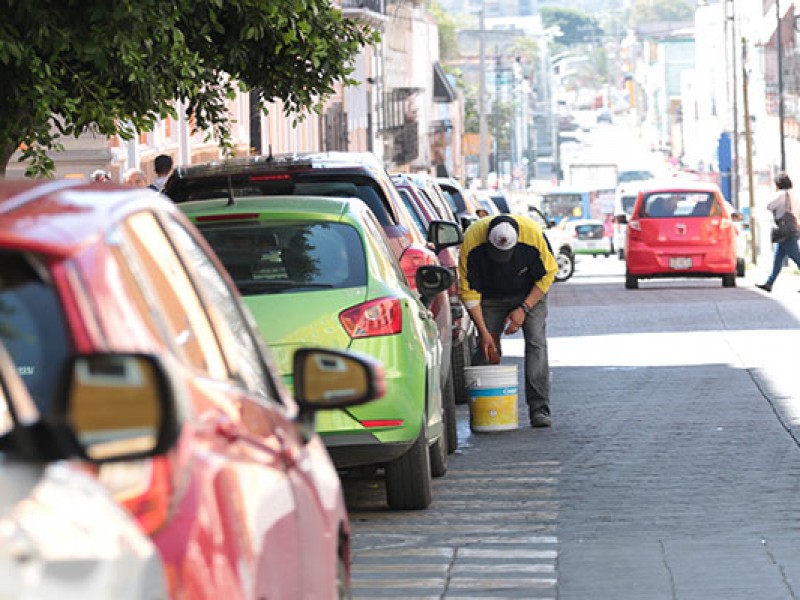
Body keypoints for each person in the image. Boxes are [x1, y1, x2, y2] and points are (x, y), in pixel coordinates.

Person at [458, 214, 558, 428]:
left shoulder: (533, 235)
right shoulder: (472, 239)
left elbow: (548, 274)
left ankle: (539, 408)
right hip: (490, 296)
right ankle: (485, 410)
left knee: (536, 343)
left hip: (529, 292)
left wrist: (524, 308)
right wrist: (484, 332)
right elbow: (468, 291)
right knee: (487, 348)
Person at [756, 171, 800, 292]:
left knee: (797, 258)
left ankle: (769, 283)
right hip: (793, 229)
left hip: (785, 231)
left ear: (778, 184)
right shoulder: (795, 195)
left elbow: (768, 205)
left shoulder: (781, 194)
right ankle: (769, 283)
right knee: (778, 259)